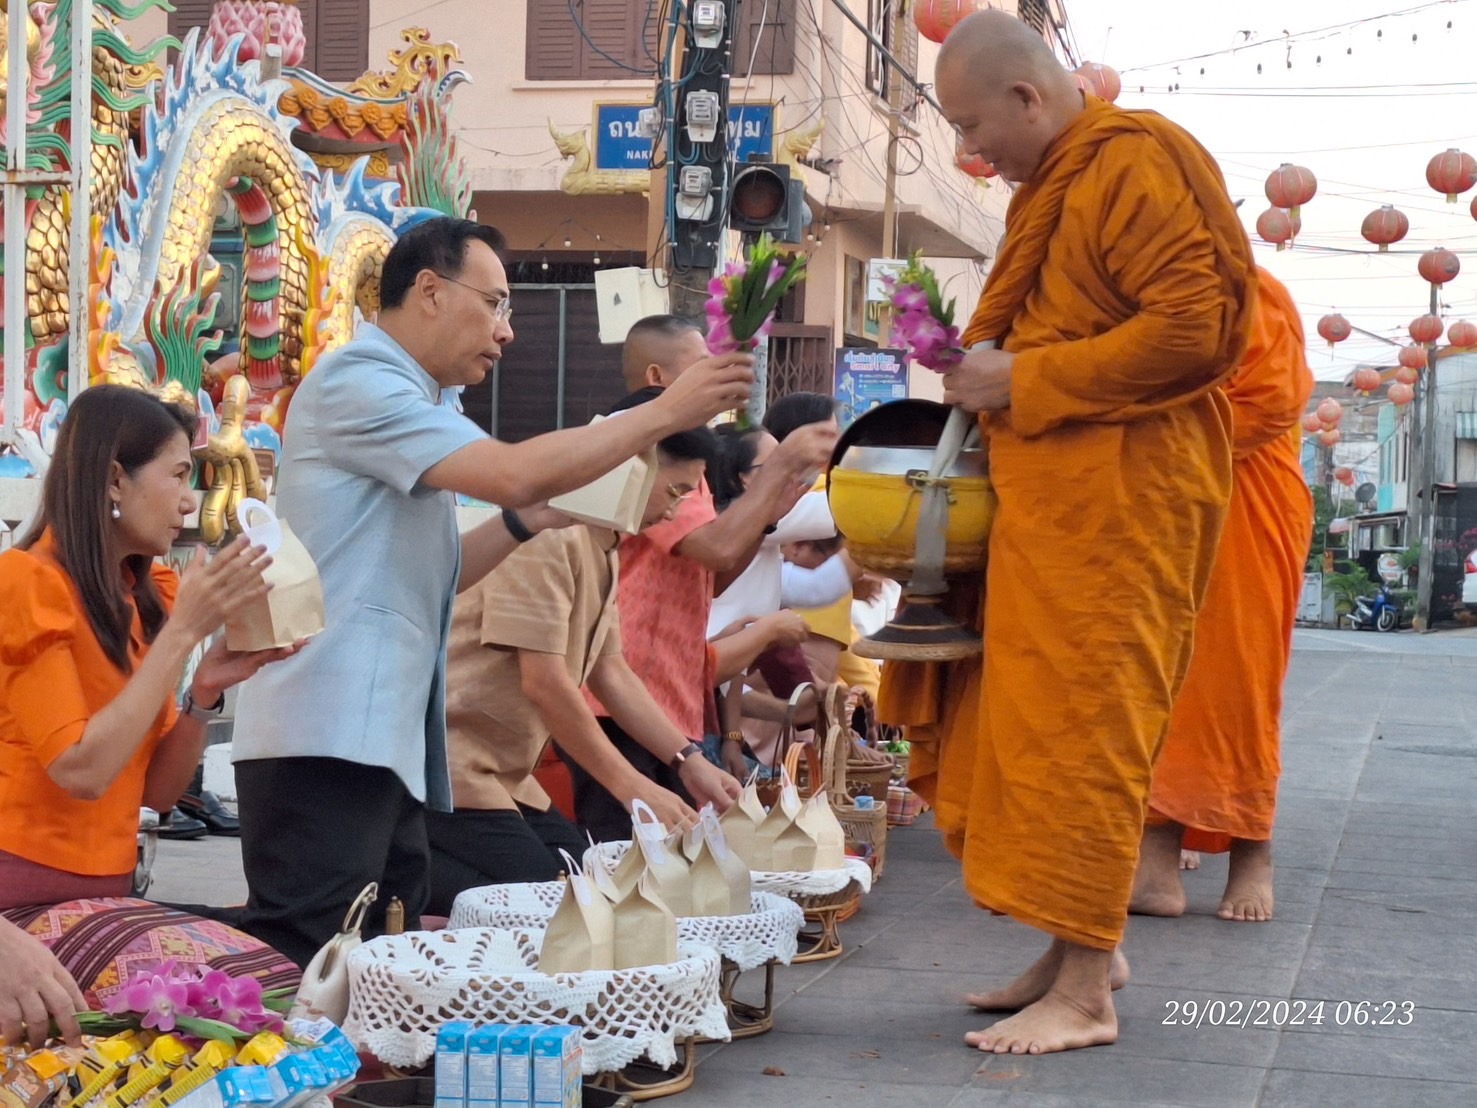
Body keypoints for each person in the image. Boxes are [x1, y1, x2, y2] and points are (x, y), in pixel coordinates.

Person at [877, 11, 1256, 1055]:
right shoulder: (1055, 187)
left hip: (1120, 502)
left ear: (1027, 98)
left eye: (972, 125)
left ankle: (1086, 991)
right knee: (1027, 727)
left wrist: (1024, 377)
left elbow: (1196, 331)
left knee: (1085, 727)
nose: (970, 151)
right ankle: (1070, 944)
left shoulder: (1139, 161)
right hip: (1047, 498)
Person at [229, 219, 754, 968]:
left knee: (378, 951)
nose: (506, 332)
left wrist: (528, 519)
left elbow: (447, 566)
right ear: (431, 293)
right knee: (310, 954)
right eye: (497, 304)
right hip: (327, 724)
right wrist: (666, 411)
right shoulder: (358, 380)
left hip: (382, 733)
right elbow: (513, 471)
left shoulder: (429, 402)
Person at [0, 386, 304, 1048]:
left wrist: (204, 693)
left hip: (102, 899)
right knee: (237, 1004)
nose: (191, 499)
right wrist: (179, 640)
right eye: (177, 475)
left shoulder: (137, 599)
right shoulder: (28, 584)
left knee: (273, 988)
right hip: (18, 908)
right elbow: (80, 770)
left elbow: (156, 794)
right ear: (115, 478)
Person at [428, 410, 743, 913]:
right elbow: (546, 683)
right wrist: (633, 787)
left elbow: (611, 671)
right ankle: (390, 875)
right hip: (455, 766)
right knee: (553, 902)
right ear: (631, 468)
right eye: (676, 491)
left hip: (505, 773)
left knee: (584, 881)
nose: (677, 509)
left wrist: (689, 761)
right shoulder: (551, 538)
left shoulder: (604, 543)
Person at [568, 316, 836, 841]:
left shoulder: (681, 457)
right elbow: (715, 549)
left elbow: (712, 571)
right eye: (701, 366)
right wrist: (780, 470)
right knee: (631, 858)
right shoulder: (642, 448)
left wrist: (772, 500)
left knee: (659, 855)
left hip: (661, 696)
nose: (719, 377)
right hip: (621, 696)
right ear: (657, 380)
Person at [1130, 269, 1315, 924]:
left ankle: (1250, 848)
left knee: (1235, 681)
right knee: (1158, 680)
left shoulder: (1252, 288)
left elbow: (1265, 401)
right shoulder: (1137, 287)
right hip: (1157, 503)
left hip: (1245, 500)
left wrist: (1145, 422)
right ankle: (1156, 838)